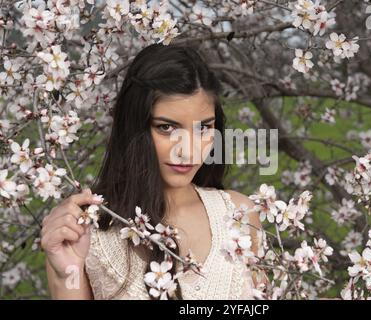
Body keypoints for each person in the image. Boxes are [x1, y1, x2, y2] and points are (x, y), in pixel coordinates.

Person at [40, 43, 265, 299]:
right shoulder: (85, 232)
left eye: (204, 128)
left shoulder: (239, 216)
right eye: (167, 128)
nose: (188, 151)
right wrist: (65, 273)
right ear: (134, 127)